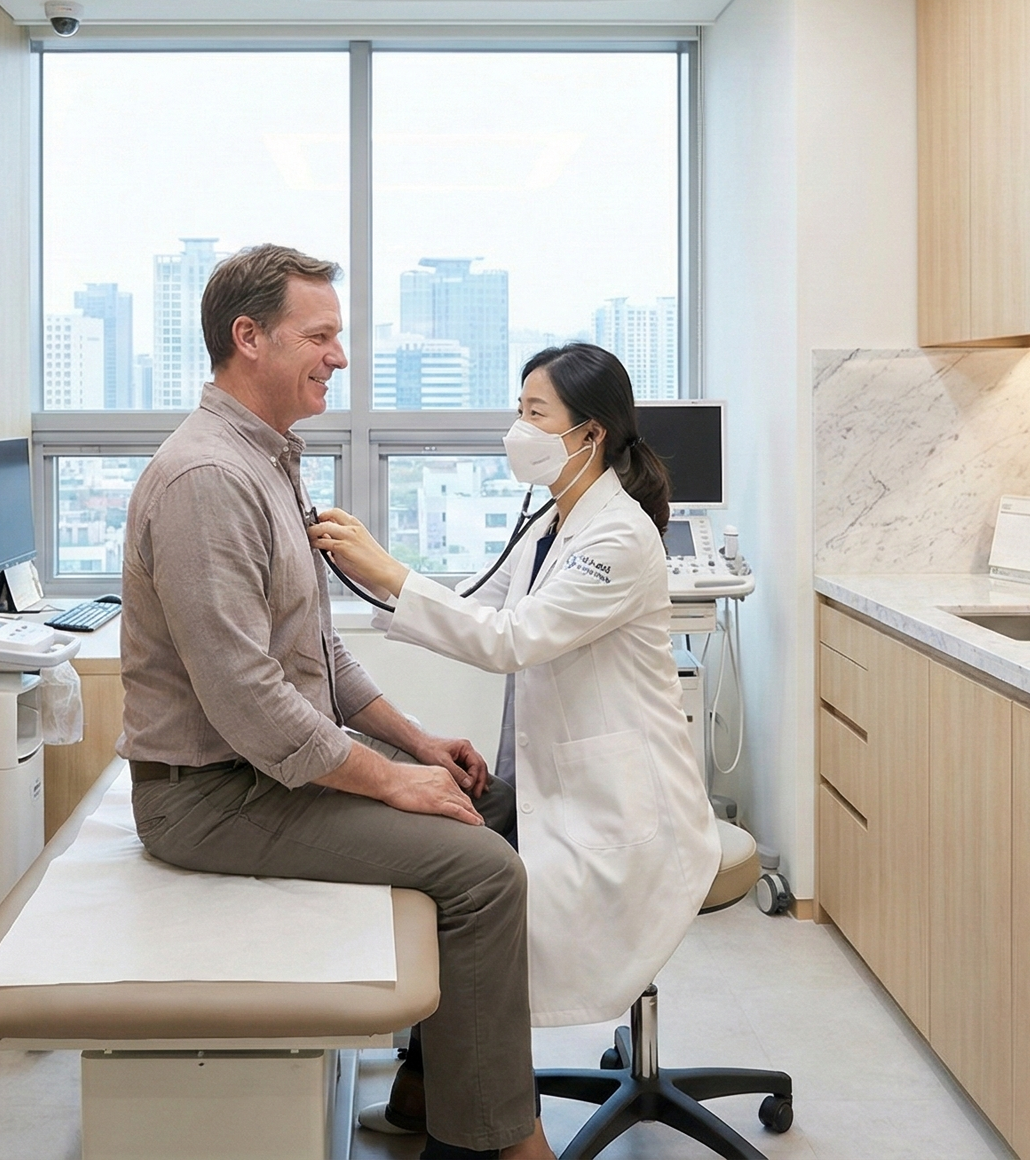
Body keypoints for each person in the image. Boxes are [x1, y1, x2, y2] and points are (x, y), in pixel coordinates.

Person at [115, 243, 556, 1160]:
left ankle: (429, 1086)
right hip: (207, 797)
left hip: (262, 772)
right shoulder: (208, 480)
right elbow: (248, 702)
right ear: (249, 339)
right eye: (320, 336)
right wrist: (391, 786)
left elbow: (316, 655)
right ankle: (492, 1143)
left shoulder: (271, 462)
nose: (340, 357)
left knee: (497, 806)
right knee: (484, 874)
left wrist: (417, 744)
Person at [311, 342, 722, 1130]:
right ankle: (427, 1086)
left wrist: (387, 571)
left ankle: (478, 1118)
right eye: (519, 410)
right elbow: (474, 607)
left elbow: (511, 639)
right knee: (437, 852)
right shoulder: (551, 521)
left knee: (465, 892)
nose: (518, 429)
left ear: (590, 433)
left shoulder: (619, 537)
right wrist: (357, 583)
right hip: (551, 790)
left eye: (536, 414)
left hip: (620, 813)